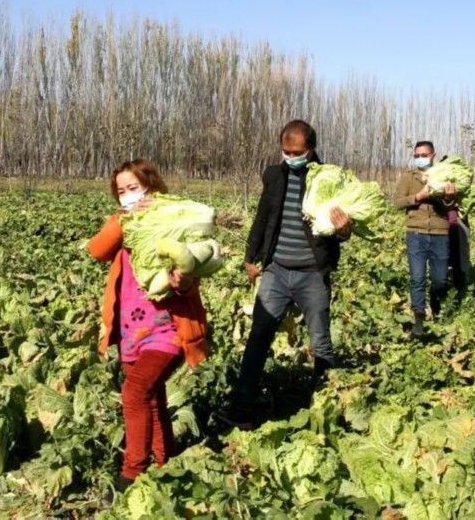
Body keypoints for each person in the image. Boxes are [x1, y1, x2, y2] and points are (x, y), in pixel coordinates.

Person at [87, 159, 209, 494]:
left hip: (167, 330)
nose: (128, 195)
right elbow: (96, 250)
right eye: (122, 191)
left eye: (134, 188)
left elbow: (190, 285)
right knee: (152, 398)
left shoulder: (172, 224)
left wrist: (182, 281)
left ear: (151, 188)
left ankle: (132, 472)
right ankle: (163, 463)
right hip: (130, 333)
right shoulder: (122, 226)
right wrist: (125, 218)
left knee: (134, 391)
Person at [223, 120, 353, 428]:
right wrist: (251, 257)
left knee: (321, 341)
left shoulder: (329, 178)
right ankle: (243, 405)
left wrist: (346, 230)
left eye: (297, 151)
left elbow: (342, 228)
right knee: (258, 337)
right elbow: (262, 217)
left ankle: (327, 408)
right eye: (286, 151)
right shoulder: (274, 175)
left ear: (311, 149)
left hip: (312, 274)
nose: (290, 156)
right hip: (276, 271)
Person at [392, 141, 460, 338]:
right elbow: (397, 202)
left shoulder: (444, 176)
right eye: (417, 155)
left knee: (439, 279)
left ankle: (436, 303)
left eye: (424, 154)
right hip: (416, 233)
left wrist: (449, 198)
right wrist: (418, 196)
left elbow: (451, 206)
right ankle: (419, 319)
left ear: (433, 155)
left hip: (440, 232)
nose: (421, 158)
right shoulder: (408, 177)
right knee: (417, 277)